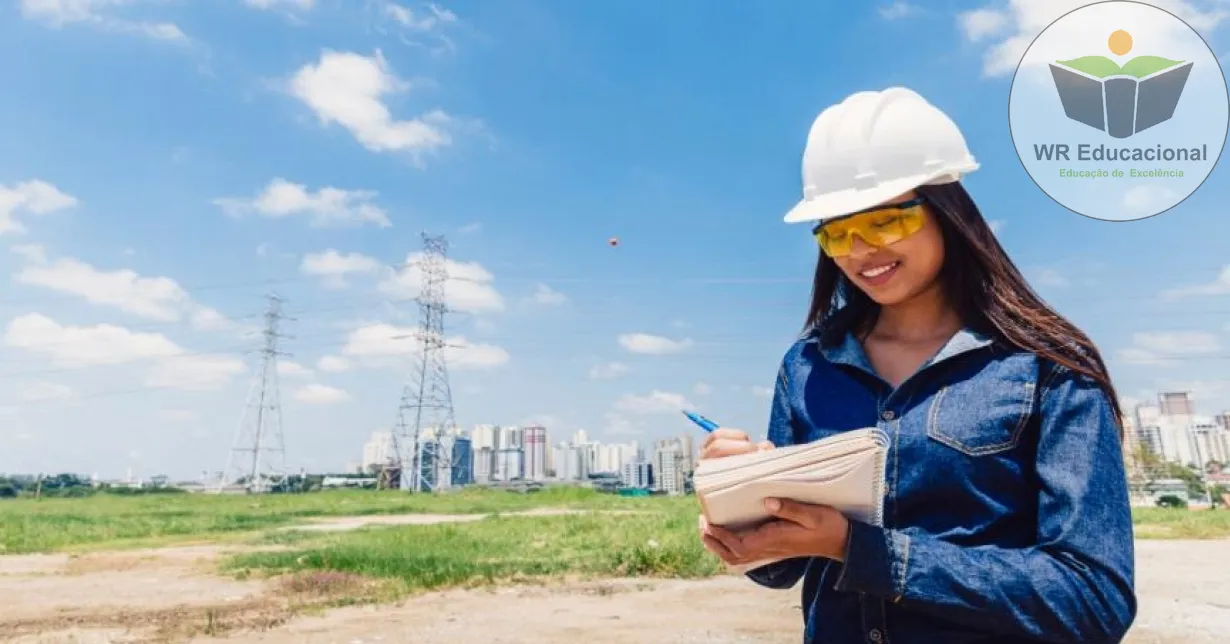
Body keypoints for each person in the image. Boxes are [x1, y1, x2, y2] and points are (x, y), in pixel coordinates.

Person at [697, 87, 1136, 644]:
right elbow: (781, 568)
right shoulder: (807, 366)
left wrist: (863, 551)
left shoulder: (1046, 368)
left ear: (948, 212)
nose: (860, 251)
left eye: (885, 222)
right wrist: (747, 505)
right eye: (836, 232)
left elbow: (1092, 599)